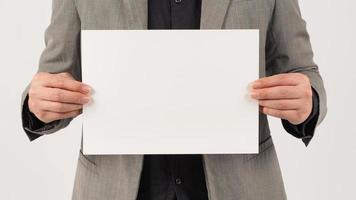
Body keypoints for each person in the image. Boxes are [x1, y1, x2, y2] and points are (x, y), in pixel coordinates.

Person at [21, 0, 327, 200]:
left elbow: (303, 71)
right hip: (113, 188)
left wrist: (308, 101)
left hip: (241, 186)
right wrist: (38, 104)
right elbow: (54, 75)